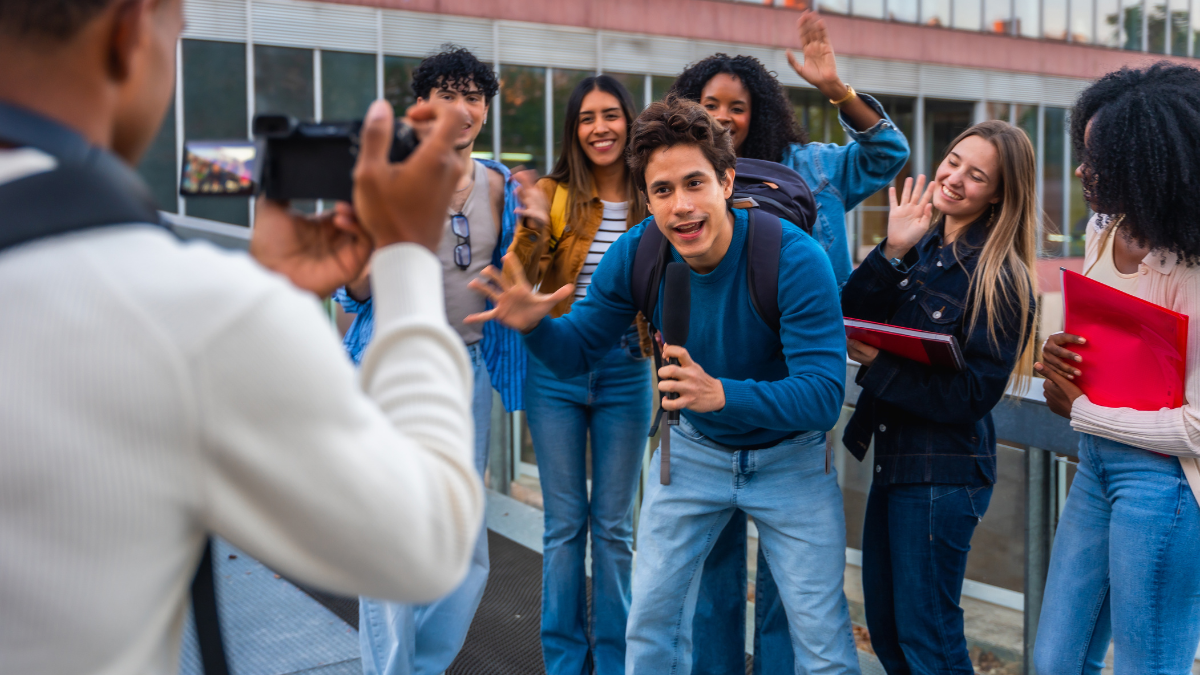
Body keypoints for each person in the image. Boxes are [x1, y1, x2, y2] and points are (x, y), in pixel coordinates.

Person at [0, 1, 485, 674]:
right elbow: (426, 537)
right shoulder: (187, 313)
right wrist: (403, 255)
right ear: (129, 32)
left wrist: (270, 296)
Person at [467, 95, 859, 675]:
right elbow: (575, 351)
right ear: (646, 200)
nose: (682, 206)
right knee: (650, 630)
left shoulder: (794, 258)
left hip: (791, 462)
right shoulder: (639, 252)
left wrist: (721, 393)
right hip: (692, 456)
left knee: (823, 647)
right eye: (663, 191)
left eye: (695, 183)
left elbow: (824, 395)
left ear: (726, 181)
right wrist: (534, 329)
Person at [670, 12, 909, 672]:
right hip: (703, 398)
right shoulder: (679, 179)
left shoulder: (811, 167)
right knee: (711, 580)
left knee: (790, 580)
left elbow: (889, 156)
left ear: (760, 113)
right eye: (708, 105)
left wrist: (836, 89)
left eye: (736, 107)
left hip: (797, 392)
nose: (722, 117)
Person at [340, 46, 527, 675]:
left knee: (462, 539)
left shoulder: (501, 183)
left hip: (467, 371)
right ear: (422, 107)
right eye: (447, 94)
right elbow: (356, 289)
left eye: (473, 95)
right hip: (396, 366)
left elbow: (520, 267)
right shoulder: (390, 176)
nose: (462, 108)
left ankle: (423, 666)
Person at [841, 120, 1038, 674]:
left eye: (976, 176)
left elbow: (973, 393)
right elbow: (849, 317)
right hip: (896, 460)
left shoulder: (1001, 276)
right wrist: (891, 247)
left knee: (930, 641)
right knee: (888, 632)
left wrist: (881, 363)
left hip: (943, 473)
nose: (954, 178)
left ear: (999, 193)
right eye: (953, 161)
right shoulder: (920, 245)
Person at [1034, 63, 1200, 675]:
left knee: (1147, 666)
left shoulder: (1193, 270)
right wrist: (1062, 352)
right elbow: (1122, 340)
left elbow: (1198, 427)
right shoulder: (1105, 228)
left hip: (1171, 487)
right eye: (1084, 151)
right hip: (1097, 466)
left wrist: (1078, 408)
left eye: (1099, 157)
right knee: (1056, 662)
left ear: (1151, 162)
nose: (1081, 169)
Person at [506, 75, 651, 675]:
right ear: (574, 130)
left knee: (615, 528)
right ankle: (565, 661)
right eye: (587, 118)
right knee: (565, 524)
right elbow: (518, 283)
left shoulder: (653, 194)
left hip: (628, 368)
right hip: (557, 365)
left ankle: (614, 661)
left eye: (611, 115)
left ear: (629, 121)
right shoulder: (552, 192)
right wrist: (536, 223)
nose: (600, 128)